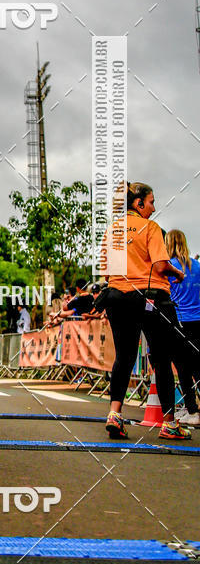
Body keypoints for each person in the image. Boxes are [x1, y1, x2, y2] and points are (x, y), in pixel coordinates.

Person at [103, 182, 191, 441]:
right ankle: (169, 424)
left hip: (117, 296)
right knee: (162, 358)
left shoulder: (112, 230)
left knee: (124, 356)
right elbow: (161, 265)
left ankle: (114, 414)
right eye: (151, 201)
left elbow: (107, 272)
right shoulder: (150, 227)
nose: (154, 207)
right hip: (150, 298)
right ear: (138, 203)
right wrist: (178, 273)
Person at [165, 229, 200, 426]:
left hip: (179, 321)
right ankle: (192, 410)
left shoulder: (169, 267)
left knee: (183, 368)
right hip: (198, 319)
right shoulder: (198, 266)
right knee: (198, 366)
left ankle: (192, 410)